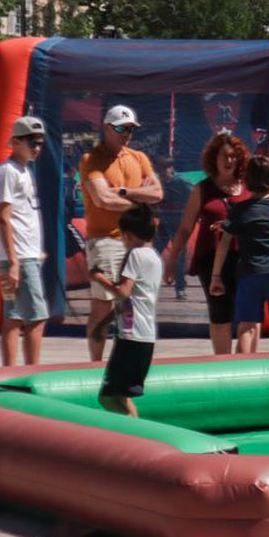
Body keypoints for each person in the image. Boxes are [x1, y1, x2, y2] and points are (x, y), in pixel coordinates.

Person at [81, 105, 162, 362]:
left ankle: (122, 362)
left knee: (131, 306)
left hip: (135, 242)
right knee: (103, 307)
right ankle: (95, 365)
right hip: (105, 239)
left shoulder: (139, 158)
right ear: (106, 128)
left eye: (130, 129)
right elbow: (102, 199)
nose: (126, 133)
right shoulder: (91, 159)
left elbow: (158, 193)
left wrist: (124, 192)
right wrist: (141, 202)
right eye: (120, 128)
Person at [161, 131, 247, 355]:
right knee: (220, 313)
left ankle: (246, 367)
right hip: (210, 259)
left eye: (233, 156)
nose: (229, 161)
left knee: (247, 315)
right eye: (224, 156)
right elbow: (185, 228)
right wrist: (171, 261)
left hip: (244, 258)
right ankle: (223, 363)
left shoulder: (247, 188)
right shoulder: (202, 189)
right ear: (214, 159)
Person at [209, 156, 269, 355]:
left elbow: (225, 241)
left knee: (247, 325)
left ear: (246, 180)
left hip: (249, 272)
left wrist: (216, 276)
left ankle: (242, 368)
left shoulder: (239, 210)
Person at [0, 117, 49, 365]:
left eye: (40, 143)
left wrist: (35, 252)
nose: (36, 147)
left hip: (25, 254)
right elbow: (3, 218)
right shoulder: (7, 172)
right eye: (31, 142)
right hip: (19, 256)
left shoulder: (23, 170)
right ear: (15, 142)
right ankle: (30, 372)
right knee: (36, 318)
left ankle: (10, 372)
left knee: (14, 316)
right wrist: (14, 261)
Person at [94, 205, 162, 417]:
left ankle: (137, 437)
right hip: (144, 337)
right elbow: (131, 301)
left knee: (108, 397)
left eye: (122, 237)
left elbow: (123, 292)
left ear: (129, 235)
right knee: (121, 396)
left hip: (132, 338)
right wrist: (104, 323)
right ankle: (133, 436)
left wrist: (98, 278)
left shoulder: (136, 255)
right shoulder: (154, 257)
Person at [156, 156, 193, 300]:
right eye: (161, 169)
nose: (163, 172)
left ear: (171, 168)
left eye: (166, 168)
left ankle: (180, 288)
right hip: (164, 224)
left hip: (179, 224)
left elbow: (194, 200)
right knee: (152, 252)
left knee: (179, 257)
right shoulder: (159, 183)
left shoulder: (182, 183)